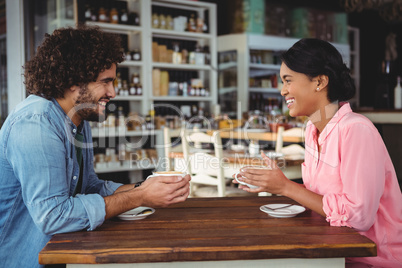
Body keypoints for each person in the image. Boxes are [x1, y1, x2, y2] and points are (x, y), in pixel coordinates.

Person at [0, 25, 191, 268]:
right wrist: (140, 196)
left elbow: (89, 187)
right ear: (72, 81)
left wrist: (149, 186)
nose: (113, 92)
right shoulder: (36, 123)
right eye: (105, 82)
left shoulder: (77, 119)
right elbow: (54, 216)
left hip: (54, 256)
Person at [234, 38, 402, 267]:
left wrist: (286, 187)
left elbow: (358, 217)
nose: (282, 90)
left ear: (320, 82)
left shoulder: (356, 129)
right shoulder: (312, 129)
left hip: (373, 259)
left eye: (288, 80)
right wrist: (276, 183)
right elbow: (323, 196)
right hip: (333, 252)